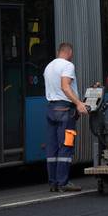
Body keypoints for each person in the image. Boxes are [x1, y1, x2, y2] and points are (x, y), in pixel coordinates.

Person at [43, 43, 89, 192]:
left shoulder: (48, 67)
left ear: (59, 52)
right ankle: (63, 182)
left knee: (52, 147)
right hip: (65, 110)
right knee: (66, 145)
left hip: (51, 109)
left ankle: (53, 183)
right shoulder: (68, 65)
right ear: (69, 53)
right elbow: (65, 86)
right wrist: (78, 103)